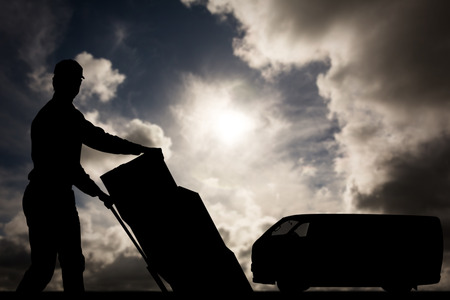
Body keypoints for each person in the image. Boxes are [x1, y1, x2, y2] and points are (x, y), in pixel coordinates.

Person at [16, 59, 159, 292]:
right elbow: (83, 153)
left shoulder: (67, 114)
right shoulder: (58, 115)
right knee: (45, 267)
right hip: (46, 196)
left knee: (69, 264)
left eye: (77, 80)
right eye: (70, 79)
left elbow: (73, 164)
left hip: (56, 195)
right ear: (56, 81)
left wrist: (98, 192)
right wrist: (141, 149)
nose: (74, 85)